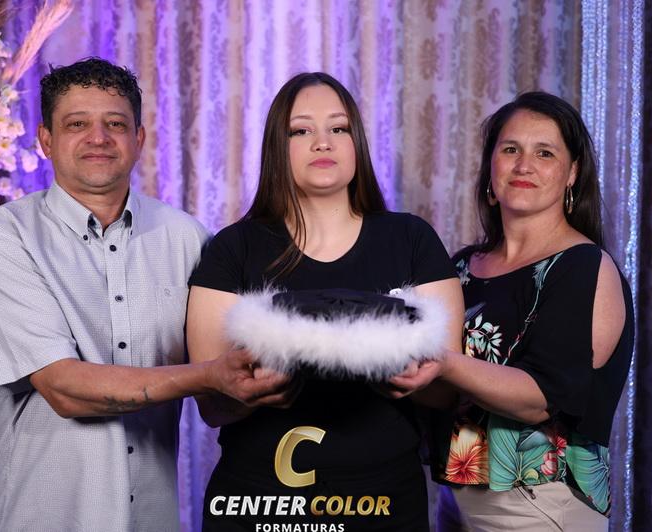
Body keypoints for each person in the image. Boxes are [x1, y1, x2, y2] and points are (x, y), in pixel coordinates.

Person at [0, 57, 293, 532]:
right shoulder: (2, 237)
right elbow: (64, 388)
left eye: (115, 124)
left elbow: (220, 406)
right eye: (77, 124)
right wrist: (210, 375)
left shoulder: (189, 239)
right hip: (39, 517)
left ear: (139, 139)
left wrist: (295, 365)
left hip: (153, 519)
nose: (98, 138)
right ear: (46, 140)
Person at [186, 72, 464, 531]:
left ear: (357, 143)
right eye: (301, 130)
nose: (322, 142)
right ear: (278, 147)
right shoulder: (233, 248)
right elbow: (213, 408)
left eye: (338, 128)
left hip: (385, 506)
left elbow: (446, 390)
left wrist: (407, 376)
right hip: (260, 503)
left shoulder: (411, 239)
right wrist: (252, 391)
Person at [429, 92, 634, 531]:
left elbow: (540, 399)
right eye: (510, 149)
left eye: (544, 153)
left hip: (539, 502)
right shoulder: (460, 267)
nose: (524, 165)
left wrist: (441, 362)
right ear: (491, 166)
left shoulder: (584, 267)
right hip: (455, 494)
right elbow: (438, 393)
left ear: (572, 172)